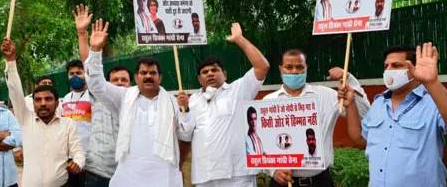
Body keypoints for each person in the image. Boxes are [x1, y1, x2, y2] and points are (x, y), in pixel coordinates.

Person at [83, 18, 193, 186]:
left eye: (152, 73)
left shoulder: (172, 102)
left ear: (160, 77)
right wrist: (96, 50)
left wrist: (185, 110)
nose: (148, 76)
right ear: (136, 77)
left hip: (163, 175)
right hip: (130, 175)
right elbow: (96, 85)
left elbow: (186, 135)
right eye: (143, 73)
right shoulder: (124, 97)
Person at [340, 43, 447, 187]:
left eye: (396, 66)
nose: (389, 70)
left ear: (415, 69)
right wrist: (351, 105)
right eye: (386, 66)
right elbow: (360, 139)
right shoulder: (379, 103)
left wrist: (432, 83)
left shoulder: (434, 102)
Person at [179, 22, 270, 187]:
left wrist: (240, 39)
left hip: (237, 176)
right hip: (205, 176)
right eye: (205, 72)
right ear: (199, 79)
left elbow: (262, 66)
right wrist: (183, 110)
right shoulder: (192, 101)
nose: (210, 74)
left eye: (215, 70)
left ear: (225, 74)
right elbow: (186, 135)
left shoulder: (238, 90)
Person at [264, 49, 370, 187]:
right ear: (280, 69)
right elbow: (263, 146)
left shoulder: (326, 96)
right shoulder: (268, 102)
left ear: (306, 68)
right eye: (289, 67)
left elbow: (365, 113)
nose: (294, 72)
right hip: (282, 182)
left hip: (320, 181)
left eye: (300, 67)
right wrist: (273, 171)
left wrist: (349, 79)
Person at [1, 38, 85, 187]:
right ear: (33, 103)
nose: (43, 103)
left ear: (57, 102)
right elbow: (14, 90)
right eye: (38, 100)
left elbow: (78, 151)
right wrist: (10, 61)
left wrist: (78, 163)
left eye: (48, 99)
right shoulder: (25, 119)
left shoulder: (68, 124)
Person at [73, 4, 133, 186]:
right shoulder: (99, 95)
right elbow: (89, 67)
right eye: (115, 80)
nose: (120, 83)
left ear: (131, 84)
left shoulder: (135, 101)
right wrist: (82, 34)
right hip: (98, 172)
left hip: (128, 171)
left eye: (124, 80)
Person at [62, 59, 92, 187]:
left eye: (79, 73)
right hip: (69, 157)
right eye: (71, 73)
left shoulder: (93, 96)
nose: (75, 76)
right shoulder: (66, 98)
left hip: (89, 157)